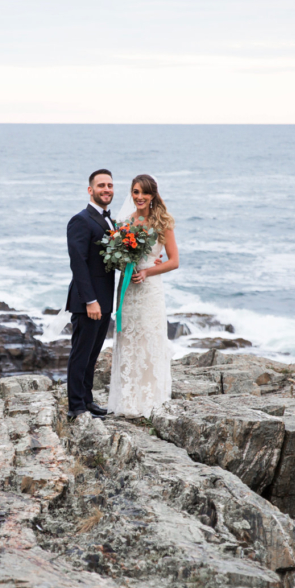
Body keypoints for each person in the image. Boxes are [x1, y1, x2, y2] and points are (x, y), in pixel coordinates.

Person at [107, 174, 178, 418]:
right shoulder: (124, 222)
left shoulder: (163, 223)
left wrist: (148, 271)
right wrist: (122, 262)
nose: (139, 197)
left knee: (149, 338)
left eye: (144, 193)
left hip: (150, 289)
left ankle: (150, 400)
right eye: (135, 192)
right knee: (127, 338)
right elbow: (118, 257)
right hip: (127, 289)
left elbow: (174, 262)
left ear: (152, 195)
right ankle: (127, 399)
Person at [65, 169, 117, 418]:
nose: (106, 189)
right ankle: (75, 406)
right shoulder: (80, 220)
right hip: (88, 301)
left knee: (92, 355)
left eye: (110, 185)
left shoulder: (109, 220)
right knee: (80, 354)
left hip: (105, 300)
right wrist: (91, 301)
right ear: (90, 190)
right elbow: (79, 263)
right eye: (101, 186)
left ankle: (87, 400)